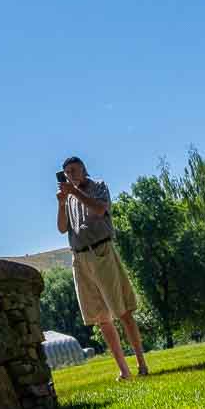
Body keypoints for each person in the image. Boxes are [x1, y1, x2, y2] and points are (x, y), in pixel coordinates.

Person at [55, 155, 149, 381]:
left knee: (122, 311)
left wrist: (75, 192)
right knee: (100, 317)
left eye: (74, 170)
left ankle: (141, 364)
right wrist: (61, 202)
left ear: (84, 169)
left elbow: (99, 210)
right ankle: (123, 370)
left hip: (102, 252)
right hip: (80, 257)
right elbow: (61, 228)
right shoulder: (68, 199)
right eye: (67, 172)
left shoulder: (98, 186)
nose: (71, 175)